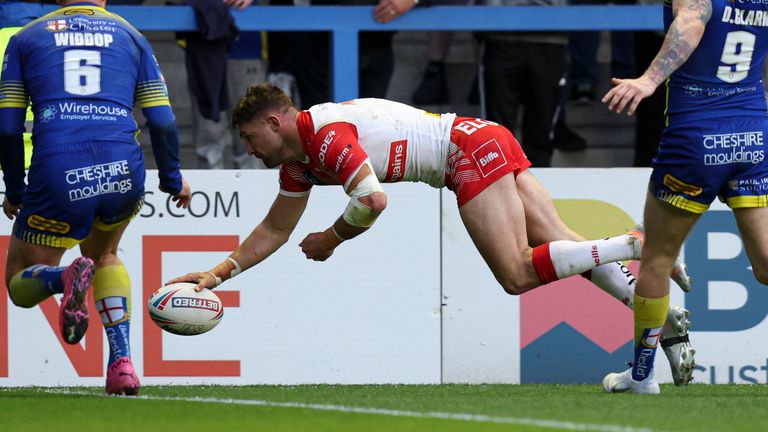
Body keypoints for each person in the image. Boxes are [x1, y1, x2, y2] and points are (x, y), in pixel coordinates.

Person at [169, 83, 697, 385]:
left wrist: (331, 238)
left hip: (463, 151)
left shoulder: (326, 137)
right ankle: (657, 316)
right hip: (481, 135)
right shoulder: (298, 165)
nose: (247, 148)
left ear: (275, 122)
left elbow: (373, 199)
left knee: (516, 272)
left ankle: (637, 244)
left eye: (248, 136)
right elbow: (274, 229)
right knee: (563, 242)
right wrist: (218, 274)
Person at [0, 0, 192, 395]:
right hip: (122, 169)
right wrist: (173, 179)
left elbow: (7, 128)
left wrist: (16, 190)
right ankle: (121, 364)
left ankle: (64, 276)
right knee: (105, 255)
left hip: (58, 170)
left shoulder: (26, 37)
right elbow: (162, 119)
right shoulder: (132, 35)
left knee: (19, 281)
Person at [601, 0, 768, 394]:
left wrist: (648, 81)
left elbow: (691, 20)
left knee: (657, 255)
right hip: (752, 135)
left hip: (696, 137)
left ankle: (641, 376)